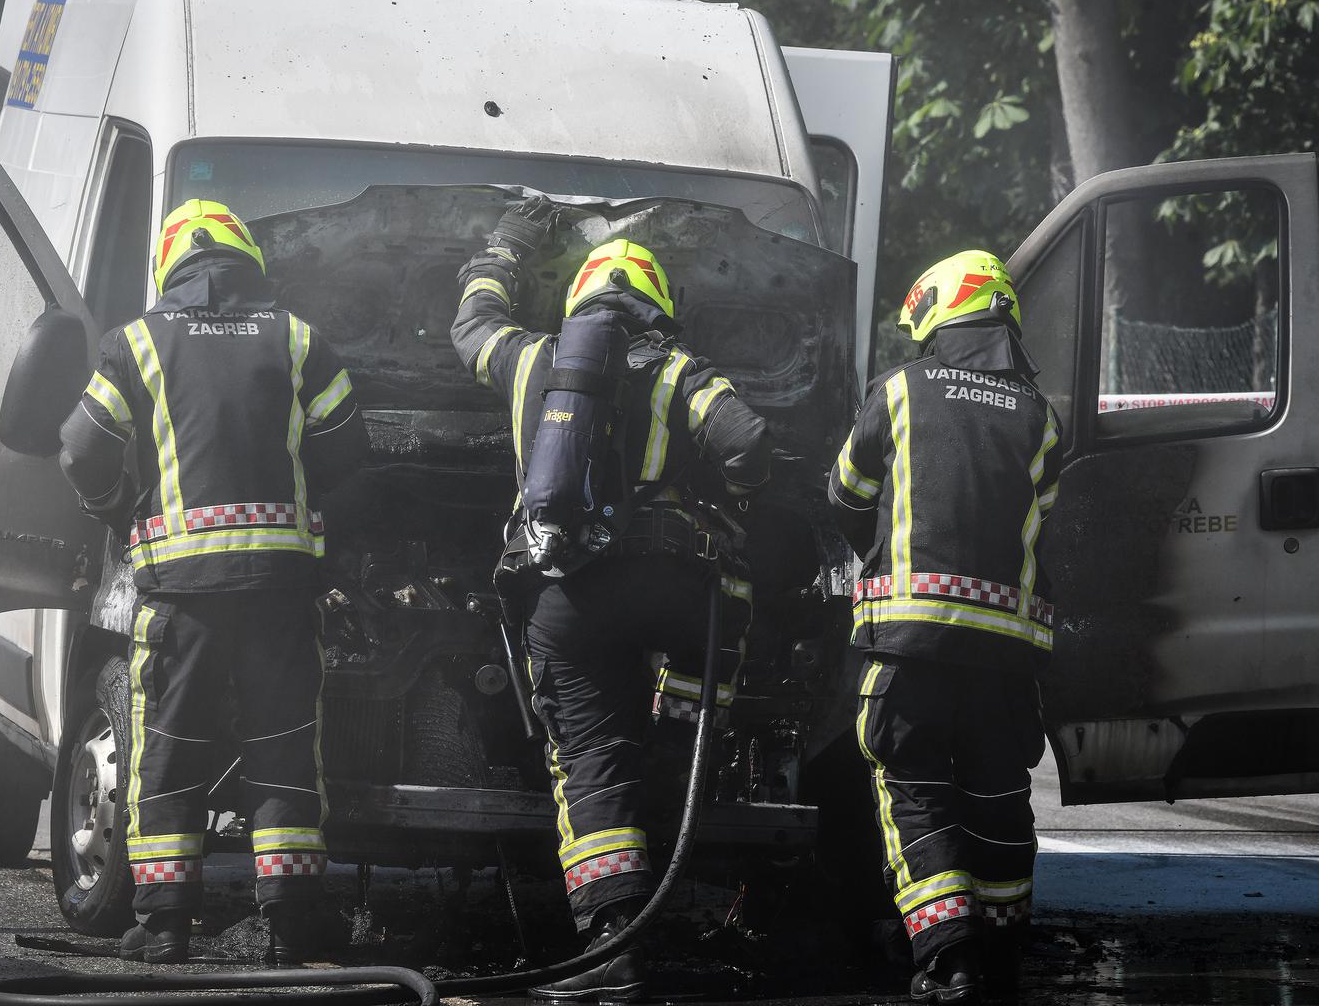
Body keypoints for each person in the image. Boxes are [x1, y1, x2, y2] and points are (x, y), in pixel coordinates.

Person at [451, 197, 770, 1003]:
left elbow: (470, 326)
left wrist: (502, 248)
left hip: (567, 596)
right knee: (675, 732)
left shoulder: (530, 360)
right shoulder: (677, 369)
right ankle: (677, 759)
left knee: (590, 760)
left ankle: (609, 947)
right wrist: (731, 503)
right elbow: (747, 445)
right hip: (672, 589)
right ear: (656, 302)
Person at [59, 199, 368, 964]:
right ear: (248, 262)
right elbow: (347, 452)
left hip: (179, 597)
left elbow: (78, 450)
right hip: (278, 593)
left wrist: (116, 511)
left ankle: (163, 926)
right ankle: (292, 926)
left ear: (170, 268)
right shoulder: (299, 339)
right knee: (284, 749)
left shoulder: (133, 343)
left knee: (167, 750)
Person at [826, 250, 1062, 1004]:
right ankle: (1000, 954)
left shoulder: (896, 390)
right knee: (998, 792)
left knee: (914, 788)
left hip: (908, 642)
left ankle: (947, 960)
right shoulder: (1039, 416)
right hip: (1005, 656)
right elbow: (1037, 522)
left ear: (937, 315)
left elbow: (843, 493)